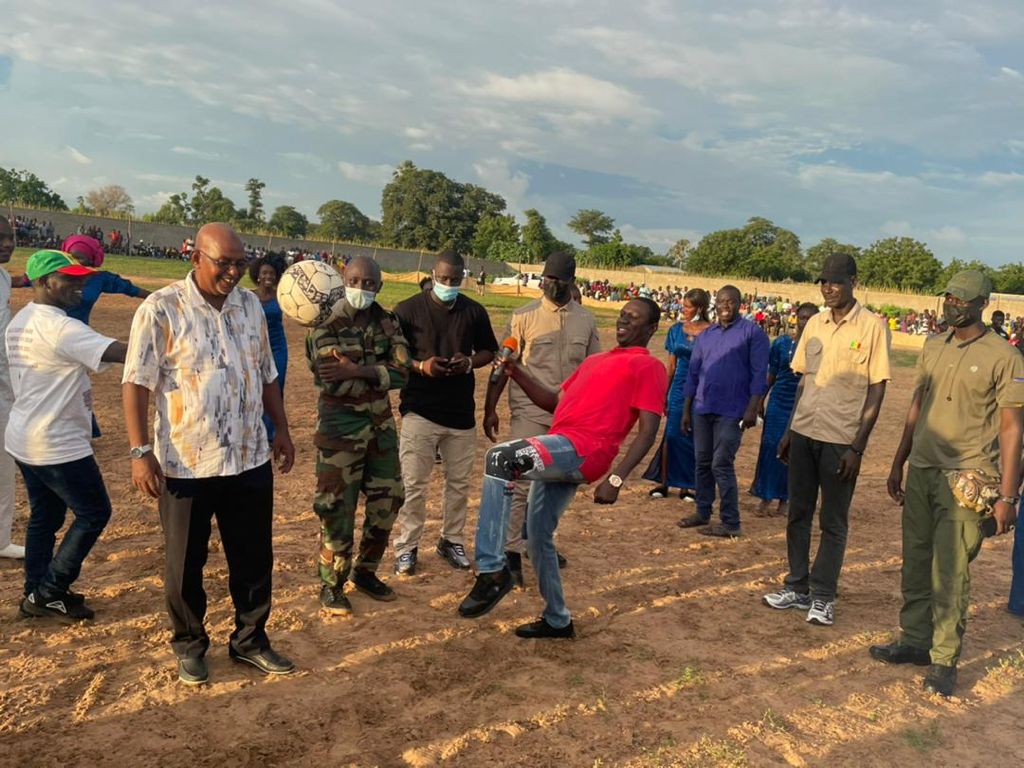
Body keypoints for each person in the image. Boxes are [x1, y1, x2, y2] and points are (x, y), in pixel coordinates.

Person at [122, 222, 296, 686]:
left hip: (247, 455)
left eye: (241, 263)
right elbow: (136, 383)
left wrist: (280, 428)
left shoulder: (250, 307)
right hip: (185, 461)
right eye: (225, 263)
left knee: (254, 557)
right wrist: (141, 451)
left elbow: (266, 374)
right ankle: (190, 644)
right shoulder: (161, 309)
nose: (235, 272)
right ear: (196, 257)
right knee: (184, 563)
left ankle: (250, 641)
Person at [457, 298, 667, 638]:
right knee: (538, 536)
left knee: (500, 458)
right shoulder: (596, 361)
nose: (625, 320)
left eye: (635, 317)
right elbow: (554, 402)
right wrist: (515, 372)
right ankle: (558, 619)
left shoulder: (649, 367)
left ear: (652, 328)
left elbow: (648, 430)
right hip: (562, 444)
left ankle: (493, 570)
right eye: (624, 314)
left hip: (585, 449)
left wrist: (616, 479)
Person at [870, 270, 1022, 696]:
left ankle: (944, 658)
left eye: (960, 299)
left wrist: (1009, 497)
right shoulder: (933, 345)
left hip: (968, 476)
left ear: (981, 305)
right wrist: (898, 460)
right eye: (948, 297)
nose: (950, 304)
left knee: (950, 569)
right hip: (923, 469)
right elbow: (917, 407)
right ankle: (913, 640)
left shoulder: (1005, 358)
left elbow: (1012, 431)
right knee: (916, 560)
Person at [764, 253, 890, 626]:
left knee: (833, 521)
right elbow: (804, 379)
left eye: (835, 281)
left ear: (853, 281)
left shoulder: (872, 327)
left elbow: (877, 388)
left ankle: (823, 595)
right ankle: (797, 587)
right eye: (823, 282)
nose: (828, 289)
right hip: (804, 433)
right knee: (798, 514)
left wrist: (857, 447)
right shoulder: (814, 324)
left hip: (840, 440)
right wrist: (789, 430)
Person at [5, 251, 127, 621]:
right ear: (42, 283)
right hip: (55, 441)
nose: (80, 284)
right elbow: (120, 352)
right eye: (69, 279)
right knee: (94, 513)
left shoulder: (22, 320)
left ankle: (35, 589)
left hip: (24, 435)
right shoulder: (60, 326)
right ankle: (51, 589)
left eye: (81, 277)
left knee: (46, 513)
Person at [482, 251, 599, 587]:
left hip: (568, 414)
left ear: (571, 282)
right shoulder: (523, 317)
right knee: (519, 483)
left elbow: (593, 370)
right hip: (530, 411)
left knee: (555, 485)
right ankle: (511, 553)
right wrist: (490, 408)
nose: (550, 284)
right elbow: (502, 366)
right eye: (546, 278)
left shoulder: (586, 321)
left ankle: (538, 543)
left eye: (558, 280)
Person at [306, 256, 410, 615]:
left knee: (389, 502)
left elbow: (403, 374)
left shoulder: (388, 321)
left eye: (369, 283)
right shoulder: (325, 324)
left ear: (379, 286)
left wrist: (358, 370)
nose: (361, 289)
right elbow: (332, 381)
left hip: (381, 433)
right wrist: (374, 375)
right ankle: (332, 584)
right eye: (354, 281)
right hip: (340, 435)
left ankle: (365, 572)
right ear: (342, 280)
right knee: (337, 510)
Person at [391, 250, 498, 575]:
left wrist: (468, 362)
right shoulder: (407, 310)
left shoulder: (474, 311)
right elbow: (394, 354)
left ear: (464, 277)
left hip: (460, 413)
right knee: (414, 484)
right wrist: (420, 366)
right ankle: (407, 546)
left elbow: (488, 350)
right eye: (443, 279)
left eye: (455, 280)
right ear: (432, 276)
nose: (448, 285)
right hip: (420, 410)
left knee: (459, 483)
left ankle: (451, 540)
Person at [677, 285, 769, 537]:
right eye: (721, 301)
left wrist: (753, 407)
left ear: (740, 304)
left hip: (734, 410)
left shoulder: (753, 334)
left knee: (721, 463)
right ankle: (702, 511)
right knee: (702, 462)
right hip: (702, 406)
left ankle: (731, 522)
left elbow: (759, 373)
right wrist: (686, 409)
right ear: (714, 305)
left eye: (731, 302)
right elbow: (693, 373)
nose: (725, 306)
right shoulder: (706, 335)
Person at [643, 288, 711, 502]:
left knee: (692, 435)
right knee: (671, 434)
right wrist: (665, 393)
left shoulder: (712, 332)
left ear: (699, 308)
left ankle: (687, 485)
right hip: (678, 387)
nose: (683, 310)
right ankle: (663, 481)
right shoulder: (676, 330)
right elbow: (671, 365)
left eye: (688, 306)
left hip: (701, 388)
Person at [751, 303, 818, 517]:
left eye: (811, 319)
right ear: (795, 319)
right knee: (771, 447)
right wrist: (760, 399)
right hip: (779, 401)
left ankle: (785, 499)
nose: (805, 322)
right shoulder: (781, 343)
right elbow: (770, 374)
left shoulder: (820, 347)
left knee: (794, 452)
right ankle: (765, 496)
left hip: (805, 404)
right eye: (802, 318)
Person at [0, 218, 23, 559]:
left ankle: (1, 539)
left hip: (4, 382)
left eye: (10, 238)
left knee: (5, 464)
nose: (7, 243)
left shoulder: (3, 277)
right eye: (0, 238)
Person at [249, 254, 288, 442]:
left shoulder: (282, 296)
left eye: (272, 273)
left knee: (276, 386)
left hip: (278, 347)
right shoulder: (249, 297)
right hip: (256, 347)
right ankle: (257, 429)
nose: (268, 276)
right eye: (264, 273)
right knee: (256, 387)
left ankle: (272, 433)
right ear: (257, 274)